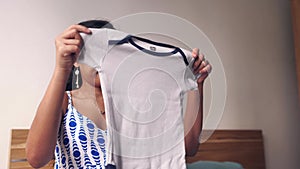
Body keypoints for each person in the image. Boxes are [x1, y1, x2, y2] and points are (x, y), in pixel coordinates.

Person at [25, 20, 212, 168]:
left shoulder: (138, 104)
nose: (100, 61)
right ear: (76, 58)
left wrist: (196, 86)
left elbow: (187, 150)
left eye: (108, 53)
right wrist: (61, 67)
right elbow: (36, 158)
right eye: (92, 51)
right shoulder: (66, 100)